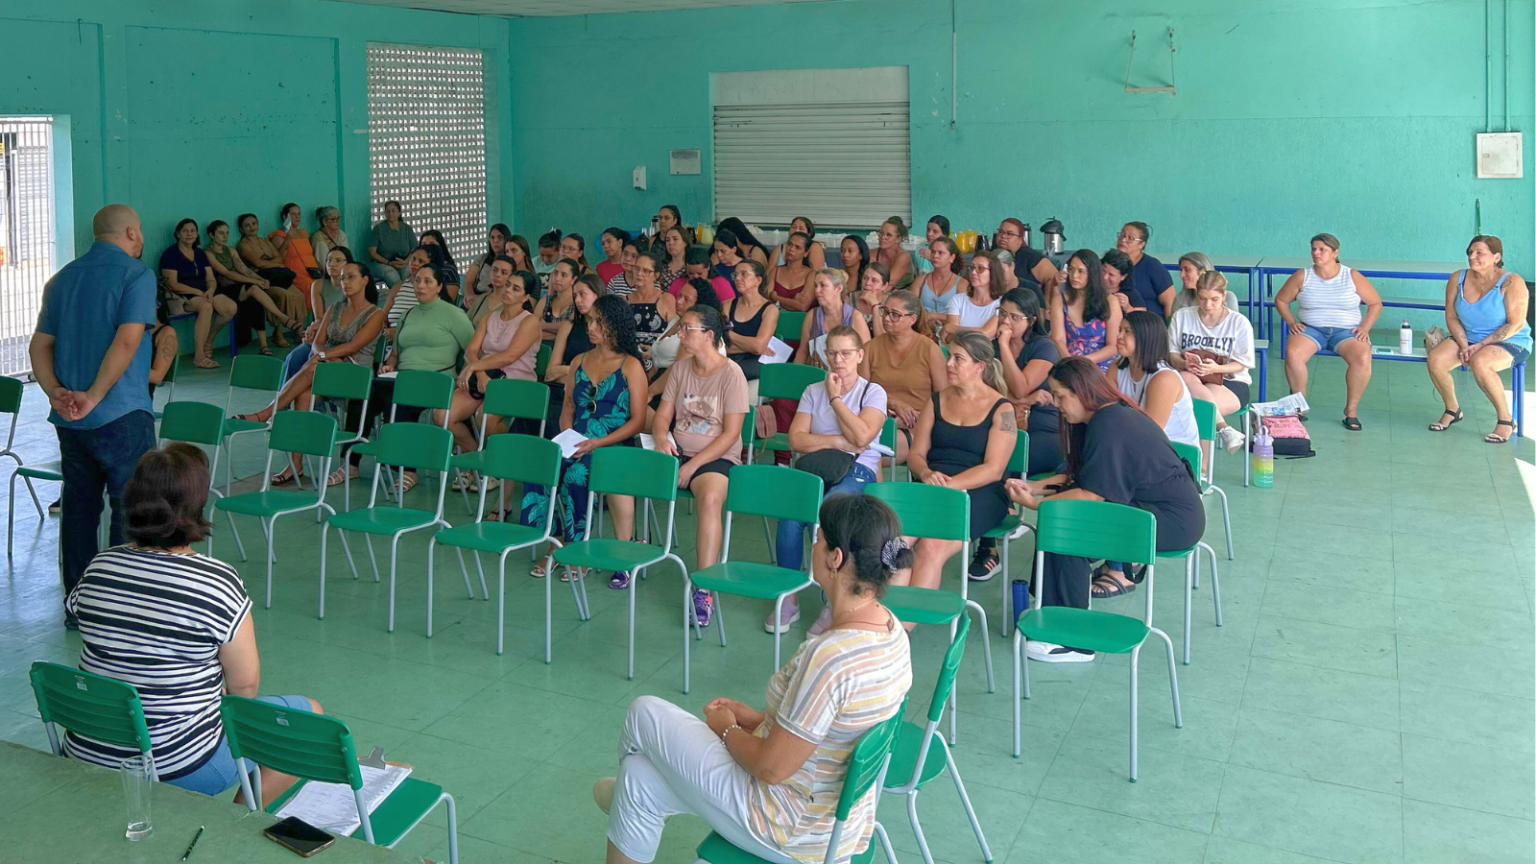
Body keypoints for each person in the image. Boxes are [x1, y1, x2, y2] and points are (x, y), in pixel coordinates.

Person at [594, 493, 911, 864]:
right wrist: (760, 720)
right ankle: (626, 794)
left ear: (835, 559)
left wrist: (728, 729)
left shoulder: (830, 658)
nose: (814, 546)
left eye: (818, 539)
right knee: (639, 779)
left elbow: (770, 768)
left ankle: (621, 798)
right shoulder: (891, 630)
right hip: (832, 821)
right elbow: (829, 733)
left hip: (787, 826)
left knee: (643, 712)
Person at [63, 443, 322, 801]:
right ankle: (235, 820)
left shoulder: (99, 566)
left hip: (87, 752)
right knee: (309, 720)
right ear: (196, 506)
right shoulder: (216, 582)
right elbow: (244, 689)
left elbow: (89, 621)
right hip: (175, 767)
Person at [1005, 358, 1205, 660]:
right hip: (1146, 508)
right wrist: (1032, 487)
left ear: (1082, 392)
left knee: (1068, 531)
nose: (1057, 404)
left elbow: (1091, 494)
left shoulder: (1110, 423)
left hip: (1172, 521)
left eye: (1061, 396)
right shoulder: (1097, 419)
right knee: (1062, 523)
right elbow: (1077, 477)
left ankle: (1076, 641)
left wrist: (1037, 504)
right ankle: (1053, 616)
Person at [33, 204, 161, 629]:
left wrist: (57, 394)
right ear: (129, 232)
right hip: (122, 411)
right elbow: (127, 341)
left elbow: (38, 346)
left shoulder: (62, 278)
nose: (141, 238)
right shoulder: (135, 274)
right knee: (131, 511)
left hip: (70, 422)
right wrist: (93, 396)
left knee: (79, 511)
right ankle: (119, 612)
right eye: (139, 230)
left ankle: (79, 606)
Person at [769, 326, 889, 634]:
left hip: (858, 470)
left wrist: (835, 399)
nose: (839, 360)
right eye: (832, 353)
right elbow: (796, 440)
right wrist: (837, 441)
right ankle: (789, 596)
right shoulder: (812, 390)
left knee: (829, 514)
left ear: (859, 355)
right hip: (818, 467)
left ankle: (831, 601)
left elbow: (863, 436)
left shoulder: (872, 392)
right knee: (790, 515)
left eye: (846, 353)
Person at [519, 295, 648, 577]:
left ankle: (578, 550)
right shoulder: (578, 361)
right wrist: (568, 434)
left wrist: (597, 442)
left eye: (598, 322)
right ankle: (554, 542)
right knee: (540, 466)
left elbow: (638, 421)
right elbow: (568, 407)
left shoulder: (630, 366)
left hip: (613, 443)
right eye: (589, 320)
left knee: (576, 474)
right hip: (578, 437)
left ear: (614, 326)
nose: (590, 327)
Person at [244, 261, 384, 486]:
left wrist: (323, 356)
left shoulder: (375, 314)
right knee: (304, 394)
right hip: (328, 369)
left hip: (356, 376)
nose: (344, 282)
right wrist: (324, 356)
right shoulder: (335, 308)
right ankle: (295, 464)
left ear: (365, 280)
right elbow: (317, 344)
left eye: (351, 277)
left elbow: (353, 346)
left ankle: (268, 412)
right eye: (342, 278)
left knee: (314, 365)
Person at [653, 305, 750, 626]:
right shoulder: (681, 369)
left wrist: (692, 465)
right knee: (624, 469)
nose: (680, 334)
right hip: (676, 450)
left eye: (687, 329)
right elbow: (663, 415)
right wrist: (661, 437)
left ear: (709, 335)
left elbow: (732, 433)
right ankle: (628, 556)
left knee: (709, 499)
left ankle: (704, 588)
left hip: (715, 457)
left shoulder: (731, 373)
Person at [903, 331, 1016, 594]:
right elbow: (915, 455)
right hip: (934, 485)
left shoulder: (1003, 409)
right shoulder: (936, 401)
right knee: (895, 543)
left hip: (981, 491)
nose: (949, 364)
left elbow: (994, 469)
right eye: (949, 356)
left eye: (958, 358)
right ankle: (885, 620)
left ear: (980, 366)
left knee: (932, 545)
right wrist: (926, 472)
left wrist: (950, 485)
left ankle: (904, 628)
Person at [344, 261, 473, 490]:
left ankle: (407, 469)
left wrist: (463, 374)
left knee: (398, 402)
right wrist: (388, 365)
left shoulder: (454, 315)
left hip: (435, 379)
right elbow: (395, 354)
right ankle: (350, 462)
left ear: (439, 286)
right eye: (417, 281)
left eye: (427, 281)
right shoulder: (407, 315)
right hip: (402, 376)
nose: (420, 286)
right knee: (362, 395)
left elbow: (472, 352)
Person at [441, 270, 542, 488]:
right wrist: (479, 373)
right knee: (442, 415)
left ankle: (499, 466)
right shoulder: (490, 316)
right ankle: (477, 461)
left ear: (525, 297)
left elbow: (509, 356)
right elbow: (471, 350)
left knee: (483, 416)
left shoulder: (529, 322)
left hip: (516, 381)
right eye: (507, 285)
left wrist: (475, 367)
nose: (507, 290)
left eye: (516, 288)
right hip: (485, 377)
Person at [1427, 234, 1532, 442]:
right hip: (1469, 338)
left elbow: (1515, 323)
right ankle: (1453, 409)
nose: (1472, 257)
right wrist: (1465, 344)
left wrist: (1480, 346)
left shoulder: (1512, 281)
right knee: (1436, 360)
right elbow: (1451, 315)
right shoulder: (1458, 278)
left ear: (1496, 257)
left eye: (1479, 253)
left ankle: (1505, 420)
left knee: (1480, 362)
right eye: (1470, 252)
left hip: (1511, 340)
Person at [1273, 232, 1382, 430]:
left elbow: (1375, 303)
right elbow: (1281, 300)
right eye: (1314, 249)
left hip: (1346, 331)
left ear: (1335, 253)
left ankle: (1351, 411)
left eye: (1322, 249)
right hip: (1311, 329)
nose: (1316, 253)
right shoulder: (1302, 276)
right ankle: (1298, 406)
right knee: (1293, 353)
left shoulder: (1351, 276)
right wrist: (1291, 322)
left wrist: (1365, 328)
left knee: (1363, 356)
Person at [1168, 271, 1254, 453]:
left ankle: (1202, 468)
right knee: (1186, 378)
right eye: (1202, 298)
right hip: (1191, 378)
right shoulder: (1182, 316)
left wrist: (1217, 368)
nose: (1208, 305)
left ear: (1224, 296)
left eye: (1214, 299)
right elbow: (1172, 354)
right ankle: (1224, 428)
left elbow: (1241, 364)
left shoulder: (1239, 323)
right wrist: (1185, 363)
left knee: (1197, 409)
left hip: (1231, 381)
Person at [861, 289, 946, 470]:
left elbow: (943, 400)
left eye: (895, 315)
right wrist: (892, 404)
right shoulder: (870, 348)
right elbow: (861, 393)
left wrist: (916, 418)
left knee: (866, 453)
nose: (886, 318)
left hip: (917, 425)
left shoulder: (929, 349)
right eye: (885, 312)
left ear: (912, 319)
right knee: (860, 445)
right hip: (876, 419)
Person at [996, 288, 1062, 477]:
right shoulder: (990, 347)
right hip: (1003, 421)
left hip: (1043, 427)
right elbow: (984, 392)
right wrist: (1027, 398)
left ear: (1031, 321)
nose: (1005, 322)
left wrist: (1003, 346)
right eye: (1002, 314)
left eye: (1015, 317)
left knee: (1003, 464)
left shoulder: (1044, 347)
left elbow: (1019, 388)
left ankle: (1003, 506)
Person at [1112, 311, 1199, 450]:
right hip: (1136, 446)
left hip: (1174, 455)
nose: (1119, 336)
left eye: (1127, 332)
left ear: (1146, 338)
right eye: (1120, 330)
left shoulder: (1164, 379)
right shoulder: (1116, 368)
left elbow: (1149, 433)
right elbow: (1104, 408)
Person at [159, 218, 238, 369]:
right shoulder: (170, 254)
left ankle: (209, 340)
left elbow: (210, 279)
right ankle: (199, 356)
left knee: (230, 308)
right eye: (185, 231)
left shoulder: (200, 253)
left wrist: (210, 290)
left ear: (197, 234)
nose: (189, 234)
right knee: (206, 307)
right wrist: (196, 291)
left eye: (193, 231)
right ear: (178, 234)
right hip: (182, 295)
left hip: (204, 293)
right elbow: (172, 284)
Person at [205, 220, 289, 356]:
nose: (225, 236)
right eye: (221, 233)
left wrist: (260, 279)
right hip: (221, 289)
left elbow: (242, 268)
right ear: (211, 235)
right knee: (253, 289)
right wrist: (254, 281)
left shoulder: (231, 250)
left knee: (255, 299)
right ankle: (282, 317)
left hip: (237, 287)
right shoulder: (208, 253)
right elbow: (227, 273)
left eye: (227, 233)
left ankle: (264, 345)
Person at [545, 274, 608, 437]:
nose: (578, 300)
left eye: (582, 294)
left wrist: (567, 371)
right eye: (575, 296)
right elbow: (551, 372)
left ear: (597, 294)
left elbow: (603, 372)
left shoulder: (608, 329)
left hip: (591, 394)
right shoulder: (568, 326)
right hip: (560, 390)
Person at [235, 213, 306, 340]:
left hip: (278, 277)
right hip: (263, 281)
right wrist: (273, 263)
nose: (252, 227)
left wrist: (268, 263)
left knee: (299, 295)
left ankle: (299, 331)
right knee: (284, 296)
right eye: (247, 225)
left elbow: (278, 258)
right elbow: (257, 263)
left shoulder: (264, 241)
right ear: (241, 229)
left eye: (254, 224)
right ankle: (278, 333)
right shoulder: (243, 245)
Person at [1049, 249, 1122, 371]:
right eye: (1071, 270)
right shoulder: (1060, 300)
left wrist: (1084, 362)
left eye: (1081, 271)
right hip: (1069, 363)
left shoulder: (1110, 301)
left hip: (1102, 366)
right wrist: (1071, 363)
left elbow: (1113, 345)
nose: (1074, 276)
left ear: (1092, 274)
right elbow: (1058, 339)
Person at [725, 260, 780, 402]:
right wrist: (751, 346)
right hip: (727, 364)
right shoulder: (727, 305)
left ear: (758, 280)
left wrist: (729, 334)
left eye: (744, 274)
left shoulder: (770, 309)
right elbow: (719, 345)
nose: (738, 278)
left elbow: (758, 347)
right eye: (735, 274)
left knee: (743, 399)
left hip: (753, 369)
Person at [794, 268, 872, 366]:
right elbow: (803, 351)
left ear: (839, 288)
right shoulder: (811, 316)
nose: (817, 290)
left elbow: (867, 354)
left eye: (823, 285)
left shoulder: (855, 317)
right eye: (815, 286)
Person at [626, 249, 677, 372]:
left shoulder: (665, 299)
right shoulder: (625, 300)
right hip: (629, 362)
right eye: (637, 269)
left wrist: (654, 350)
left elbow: (674, 332)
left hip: (657, 363)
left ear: (656, 275)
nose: (639, 274)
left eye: (646, 271)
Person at [268, 203, 323, 315]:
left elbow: (310, 254)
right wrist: (287, 241)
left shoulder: (303, 233)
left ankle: (320, 323)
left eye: (299, 214)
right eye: (293, 214)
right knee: (310, 286)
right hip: (295, 272)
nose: (297, 217)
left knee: (324, 284)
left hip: (311, 270)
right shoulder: (278, 235)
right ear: (285, 217)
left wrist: (322, 268)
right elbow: (278, 259)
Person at [1115, 221, 1175, 317]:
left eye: (1130, 238)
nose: (1123, 240)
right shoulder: (1108, 264)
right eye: (1122, 235)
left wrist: (1169, 330)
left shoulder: (1153, 266)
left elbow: (1170, 302)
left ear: (1141, 244)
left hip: (1149, 325)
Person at [382, 245, 442, 337]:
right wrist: (385, 331)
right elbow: (382, 318)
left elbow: (431, 325)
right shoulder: (398, 287)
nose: (415, 263)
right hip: (390, 343)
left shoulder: (431, 291)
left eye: (421, 261)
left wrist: (399, 333)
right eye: (413, 259)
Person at [946, 249, 1002, 338]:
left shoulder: (1002, 304)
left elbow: (985, 333)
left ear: (992, 272)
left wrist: (952, 328)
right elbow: (949, 337)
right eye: (971, 267)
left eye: (980, 268)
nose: (973, 272)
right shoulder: (957, 300)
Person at [994, 217, 1057, 289]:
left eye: (1009, 234)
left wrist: (1047, 300)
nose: (1003, 236)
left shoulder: (1031, 257)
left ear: (1020, 239)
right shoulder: (992, 254)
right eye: (1000, 232)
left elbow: (1053, 278)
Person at [1168, 252, 1238, 316]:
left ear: (1202, 271)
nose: (1182, 275)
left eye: (1187, 270)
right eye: (1181, 270)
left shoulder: (1229, 298)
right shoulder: (1180, 299)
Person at [914, 237, 967, 320]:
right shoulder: (920, 281)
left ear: (952, 257)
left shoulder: (961, 284)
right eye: (933, 252)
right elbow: (911, 309)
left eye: (940, 253)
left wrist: (932, 316)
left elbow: (963, 316)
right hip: (923, 327)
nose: (935, 256)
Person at [368, 200, 417, 286]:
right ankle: (399, 297)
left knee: (408, 275)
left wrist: (406, 262)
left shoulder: (407, 229)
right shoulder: (379, 229)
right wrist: (389, 263)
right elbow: (372, 253)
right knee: (392, 275)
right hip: (382, 264)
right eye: (388, 211)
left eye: (393, 211)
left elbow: (415, 250)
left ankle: (410, 297)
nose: (390, 213)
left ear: (399, 213)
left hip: (403, 263)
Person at [464, 223, 512, 307]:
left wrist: (480, 300)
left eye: (499, 237)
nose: (495, 241)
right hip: (474, 299)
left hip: (494, 303)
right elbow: (468, 282)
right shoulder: (482, 258)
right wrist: (470, 297)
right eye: (492, 238)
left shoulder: (511, 262)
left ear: (506, 239)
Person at [668, 244, 735, 304]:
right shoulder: (677, 284)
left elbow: (728, 309)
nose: (695, 277)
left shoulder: (721, 284)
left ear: (708, 267)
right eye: (691, 273)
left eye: (700, 273)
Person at [767, 233, 816, 313]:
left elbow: (802, 306)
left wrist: (775, 298)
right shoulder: (775, 271)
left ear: (805, 253)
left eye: (797, 247)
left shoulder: (811, 275)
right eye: (790, 244)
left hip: (801, 321)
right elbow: (766, 301)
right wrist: (794, 301)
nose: (791, 249)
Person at [1099, 248, 1150, 314]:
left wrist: (1128, 308)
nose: (1105, 277)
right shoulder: (1091, 288)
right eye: (1103, 271)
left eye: (1111, 275)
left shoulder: (1131, 295)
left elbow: (1143, 318)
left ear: (1123, 276)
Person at [539, 258, 579, 340]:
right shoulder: (544, 301)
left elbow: (573, 331)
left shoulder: (578, 304)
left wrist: (544, 325)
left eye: (563, 275)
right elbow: (532, 329)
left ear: (573, 279)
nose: (557, 278)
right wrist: (559, 335)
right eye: (555, 273)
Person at [420, 229, 462, 302]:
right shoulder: (417, 269)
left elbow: (449, 303)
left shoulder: (449, 271)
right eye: (424, 244)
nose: (427, 248)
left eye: (432, 244)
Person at [871, 217, 913, 288]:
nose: (883, 237)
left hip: (902, 293)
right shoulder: (873, 253)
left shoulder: (903, 257)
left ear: (898, 239)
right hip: (876, 289)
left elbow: (889, 283)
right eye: (881, 233)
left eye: (888, 235)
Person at [855, 263, 893, 335]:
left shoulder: (890, 303)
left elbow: (882, 338)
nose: (867, 283)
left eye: (874, 280)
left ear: (884, 286)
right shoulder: (849, 299)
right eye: (865, 278)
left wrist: (875, 305)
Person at [310, 206, 348, 270]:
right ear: (324, 222)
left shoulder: (341, 234)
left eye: (338, 218)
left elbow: (347, 255)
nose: (337, 221)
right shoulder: (318, 238)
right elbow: (323, 263)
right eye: (333, 219)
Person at [659, 226, 691, 291]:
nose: (670, 243)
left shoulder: (691, 267)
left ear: (685, 242)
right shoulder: (661, 265)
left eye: (675, 239)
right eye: (667, 240)